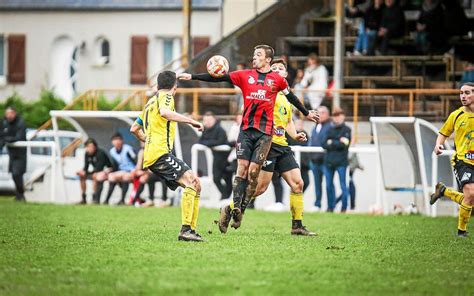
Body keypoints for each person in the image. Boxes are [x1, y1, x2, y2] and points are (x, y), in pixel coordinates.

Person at [179, 45, 319, 230]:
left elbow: (290, 112)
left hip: (273, 140)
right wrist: (193, 76)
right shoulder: (247, 76)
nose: (254, 57)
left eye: (258, 55)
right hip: (253, 135)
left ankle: (296, 225)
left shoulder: (279, 86)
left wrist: (302, 120)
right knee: (251, 179)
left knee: (291, 182)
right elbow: (220, 77)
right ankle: (234, 208)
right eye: (254, 54)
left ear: (280, 70)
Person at [218, 58, 316, 236]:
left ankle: (297, 226)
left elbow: (288, 121)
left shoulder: (287, 98)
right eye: (274, 68)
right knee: (259, 189)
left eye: (281, 68)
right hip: (267, 144)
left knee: (298, 183)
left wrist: (295, 135)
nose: (277, 70)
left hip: (283, 146)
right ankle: (230, 208)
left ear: (286, 75)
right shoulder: (266, 91)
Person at [130, 70, 205, 242]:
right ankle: (186, 230)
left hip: (153, 154)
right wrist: (192, 121)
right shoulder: (166, 96)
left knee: (195, 184)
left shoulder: (150, 102)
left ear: (157, 85)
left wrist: (147, 140)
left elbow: (134, 128)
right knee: (191, 182)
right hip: (160, 153)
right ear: (175, 88)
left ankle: (191, 230)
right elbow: (164, 112)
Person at [430, 82, 474, 238]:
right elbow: (443, 133)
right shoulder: (456, 115)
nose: (463, 96)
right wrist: (438, 145)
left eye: (467, 93)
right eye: (461, 93)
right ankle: (461, 231)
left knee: (470, 198)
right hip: (462, 160)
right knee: (471, 192)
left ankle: (444, 191)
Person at [322, 108, 351, 213]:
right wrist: (338, 141)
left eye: (338, 115)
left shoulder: (347, 130)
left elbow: (344, 145)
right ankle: (330, 207)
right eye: (335, 115)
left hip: (341, 163)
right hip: (329, 162)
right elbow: (323, 143)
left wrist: (331, 142)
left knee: (343, 186)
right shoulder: (329, 129)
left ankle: (344, 208)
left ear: (343, 116)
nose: (337, 117)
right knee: (328, 186)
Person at [199, 111, 232, 200]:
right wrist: (210, 143)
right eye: (205, 120)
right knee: (216, 178)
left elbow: (220, 141)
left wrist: (208, 143)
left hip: (225, 158)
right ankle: (225, 197)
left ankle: (225, 197)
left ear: (214, 120)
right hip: (216, 158)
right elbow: (200, 141)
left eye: (209, 119)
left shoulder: (220, 130)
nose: (207, 122)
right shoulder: (205, 130)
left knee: (227, 179)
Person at [308, 106, 332, 212]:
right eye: (319, 113)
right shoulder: (315, 127)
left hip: (325, 161)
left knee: (329, 184)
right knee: (317, 184)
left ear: (327, 114)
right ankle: (317, 204)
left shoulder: (330, 126)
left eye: (322, 113)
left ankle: (331, 206)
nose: (320, 115)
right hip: (314, 160)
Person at [76, 138, 113, 204]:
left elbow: (99, 168)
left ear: (95, 146)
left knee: (95, 176)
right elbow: (86, 167)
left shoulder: (100, 153)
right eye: (87, 147)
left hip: (107, 170)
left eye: (91, 146)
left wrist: (88, 172)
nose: (89, 148)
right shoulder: (87, 154)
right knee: (82, 175)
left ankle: (95, 197)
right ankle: (83, 197)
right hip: (97, 172)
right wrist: (82, 171)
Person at [103, 133, 136, 205]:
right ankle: (106, 200)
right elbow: (114, 165)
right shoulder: (112, 151)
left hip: (131, 171)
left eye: (118, 140)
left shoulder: (128, 149)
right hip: (120, 171)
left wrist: (135, 170)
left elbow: (135, 160)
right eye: (115, 140)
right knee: (111, 177)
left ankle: (122, 200)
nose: (117, 142)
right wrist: (109, 170)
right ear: (112, 142)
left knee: (125, 177)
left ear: (122, 141)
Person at [2, 106, 27, 202]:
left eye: (10, 113)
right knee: (14, 175)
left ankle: (21, 195)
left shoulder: (20, 123)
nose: (8, 116)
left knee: (17, 174)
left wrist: (6, 139)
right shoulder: (5, 123)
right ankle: (19, 195)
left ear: (14, 113)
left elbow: (19, 137)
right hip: (11, 154)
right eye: (7, 113)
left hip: (20, 154)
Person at [287, 119, 311, 193]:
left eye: (301, 124)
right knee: (294, 183)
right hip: (293, 163)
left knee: (306, 182)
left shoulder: (305, 134)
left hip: (304, 164)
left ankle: (298, 197)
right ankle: (294, 201)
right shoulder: (289, 134)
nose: (299, 125)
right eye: (298, 124)